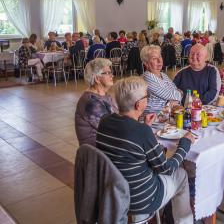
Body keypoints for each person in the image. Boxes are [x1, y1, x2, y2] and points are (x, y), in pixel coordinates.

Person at [96, 76, 194, 223]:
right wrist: (185, 145)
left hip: (113, 193)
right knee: (181, 174)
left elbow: (126, 146)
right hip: (141, 198)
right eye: (146, 96)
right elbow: (166, 169)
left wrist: (145, 126)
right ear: (138, 104)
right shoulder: (141, 132)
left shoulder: (104, 121)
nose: (148, 98)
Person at [75, 58, 117, 147]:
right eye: (107, 73)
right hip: (98, 152)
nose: (112, 75)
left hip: (108, 145)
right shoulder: (91, 102)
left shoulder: (104, 95)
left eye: (111, 72)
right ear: (97, 79)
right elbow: (112, 129)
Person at [141, 45, 182, 115]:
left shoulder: (163, 75)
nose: (159, 61)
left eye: (160, 57)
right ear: (146, 63)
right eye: (154, 58)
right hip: (153, 120)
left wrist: (172, 100)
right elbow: (176, 95)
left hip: (167, 116)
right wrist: (174, 100)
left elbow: (174, 91)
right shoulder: (147, 79)